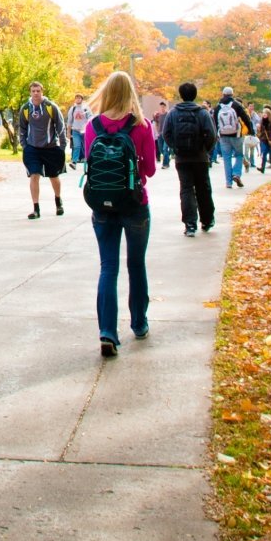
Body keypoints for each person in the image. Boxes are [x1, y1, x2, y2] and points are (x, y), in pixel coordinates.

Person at [80, 71, 156, 358]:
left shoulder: (93, 126)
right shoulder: (142, 126)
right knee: (136, 265)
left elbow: (90, 162)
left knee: (108, 267)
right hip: (135, 204)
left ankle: (107, 332)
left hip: (101, 205)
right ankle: (138, 323)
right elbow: (149, 169)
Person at [164, 83, 218, 236]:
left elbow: (166, 133)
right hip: (200, 157)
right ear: (195, 95)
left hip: (182, 158)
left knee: (186, 189)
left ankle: (190, 224)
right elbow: (212, 135)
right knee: (203, 189)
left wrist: (175, 147)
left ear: (181, 95)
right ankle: (207, 220)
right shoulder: (202, 113)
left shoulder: (173, 113)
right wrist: (205, 150)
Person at [17, 81, 67, 219]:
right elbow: (22, 128)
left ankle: (58, 201)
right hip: (32, 148)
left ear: (42, 92)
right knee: (34, 175)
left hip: (50, 147)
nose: (36, 93)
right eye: (33, 91)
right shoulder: (26, 109)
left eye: (38, 91)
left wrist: (62, 147)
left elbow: (60, 126)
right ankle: (36, 208)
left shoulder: (51, 107)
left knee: (54, 176)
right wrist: (24, 145)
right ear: (30, 92)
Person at [214, 87, 250, 186]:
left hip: (223, 135)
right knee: (239, 155)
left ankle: (228, 182)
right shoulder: (236, 105)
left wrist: (215, 134)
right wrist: (251, 130)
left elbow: (214, 122)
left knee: (226, 158)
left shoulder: (218, 107)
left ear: (223, 94)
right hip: (236, 135)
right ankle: (236, 173)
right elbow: (245, 118)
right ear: (232, 94)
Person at [66, 93, 93, 162]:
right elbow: (69, 121)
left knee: (86, 146)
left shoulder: (86, 108)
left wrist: (89, 129)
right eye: (76, 98)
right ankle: (74, 161)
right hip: (75, 131)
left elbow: (91, 118)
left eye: (79, 98)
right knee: (77, 146)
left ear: (82, 99)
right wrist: (68, 132)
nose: (78, 99)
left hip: (84, 131)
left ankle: (86, 159)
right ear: (75, 99)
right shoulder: (73, 109)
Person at [152, 101, 172, 167]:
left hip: (166, 134)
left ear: (165, 107)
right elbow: (156, 123)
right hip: (160, 134)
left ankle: (165, 164)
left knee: (164, 149)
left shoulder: (168, 114)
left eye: (163, 107)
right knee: (161, 149)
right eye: (161, 107)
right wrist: (157, 132)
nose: (162, 108)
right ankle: (167, 158)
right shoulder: (158, 115)